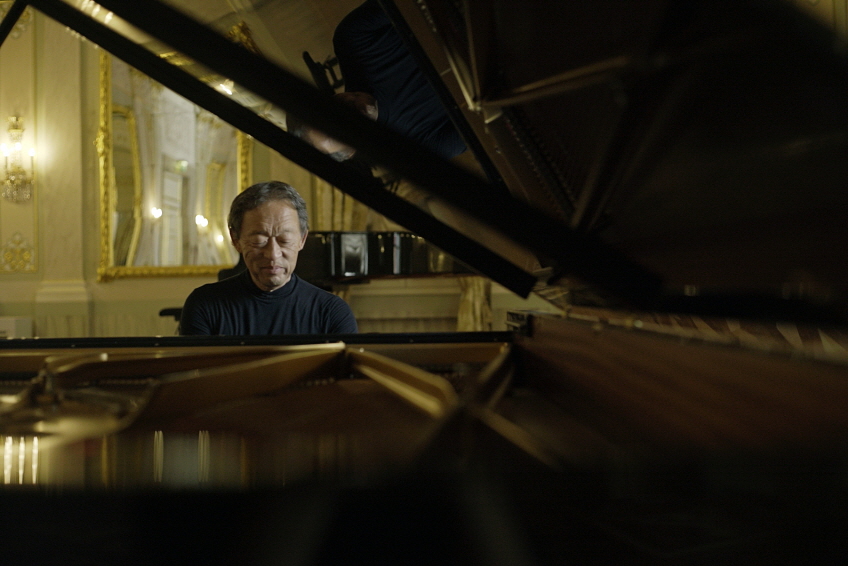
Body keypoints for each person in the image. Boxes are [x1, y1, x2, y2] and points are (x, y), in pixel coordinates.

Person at [288, 0, 466, 162]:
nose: (346, 117)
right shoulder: (413, 149)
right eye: (342, 131)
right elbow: (478, 125)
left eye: (331, 112)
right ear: (351, 151)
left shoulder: (352, 39)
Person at [179, 181, 358, 335]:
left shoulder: (331, 312)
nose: (273, 254)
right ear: (236, 240)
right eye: (259, 241)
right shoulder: (205, 304)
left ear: (302, 240)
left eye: (284, 240)